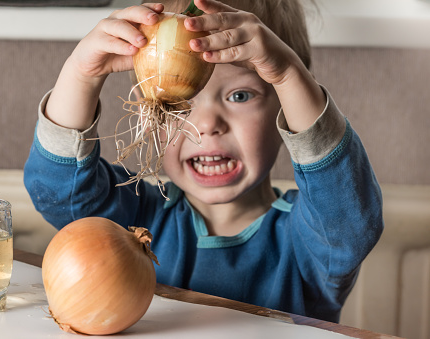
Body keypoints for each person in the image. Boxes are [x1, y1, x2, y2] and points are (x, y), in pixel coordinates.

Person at [24, 0, 383, 322]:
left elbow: (350, 218)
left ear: (284, 104)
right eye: (179, 102)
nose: (207, 125)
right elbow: (58, 192)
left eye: (240, 95)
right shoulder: (132, 222)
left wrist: (289, 75)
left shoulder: (311, 241)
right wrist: (81, 75)